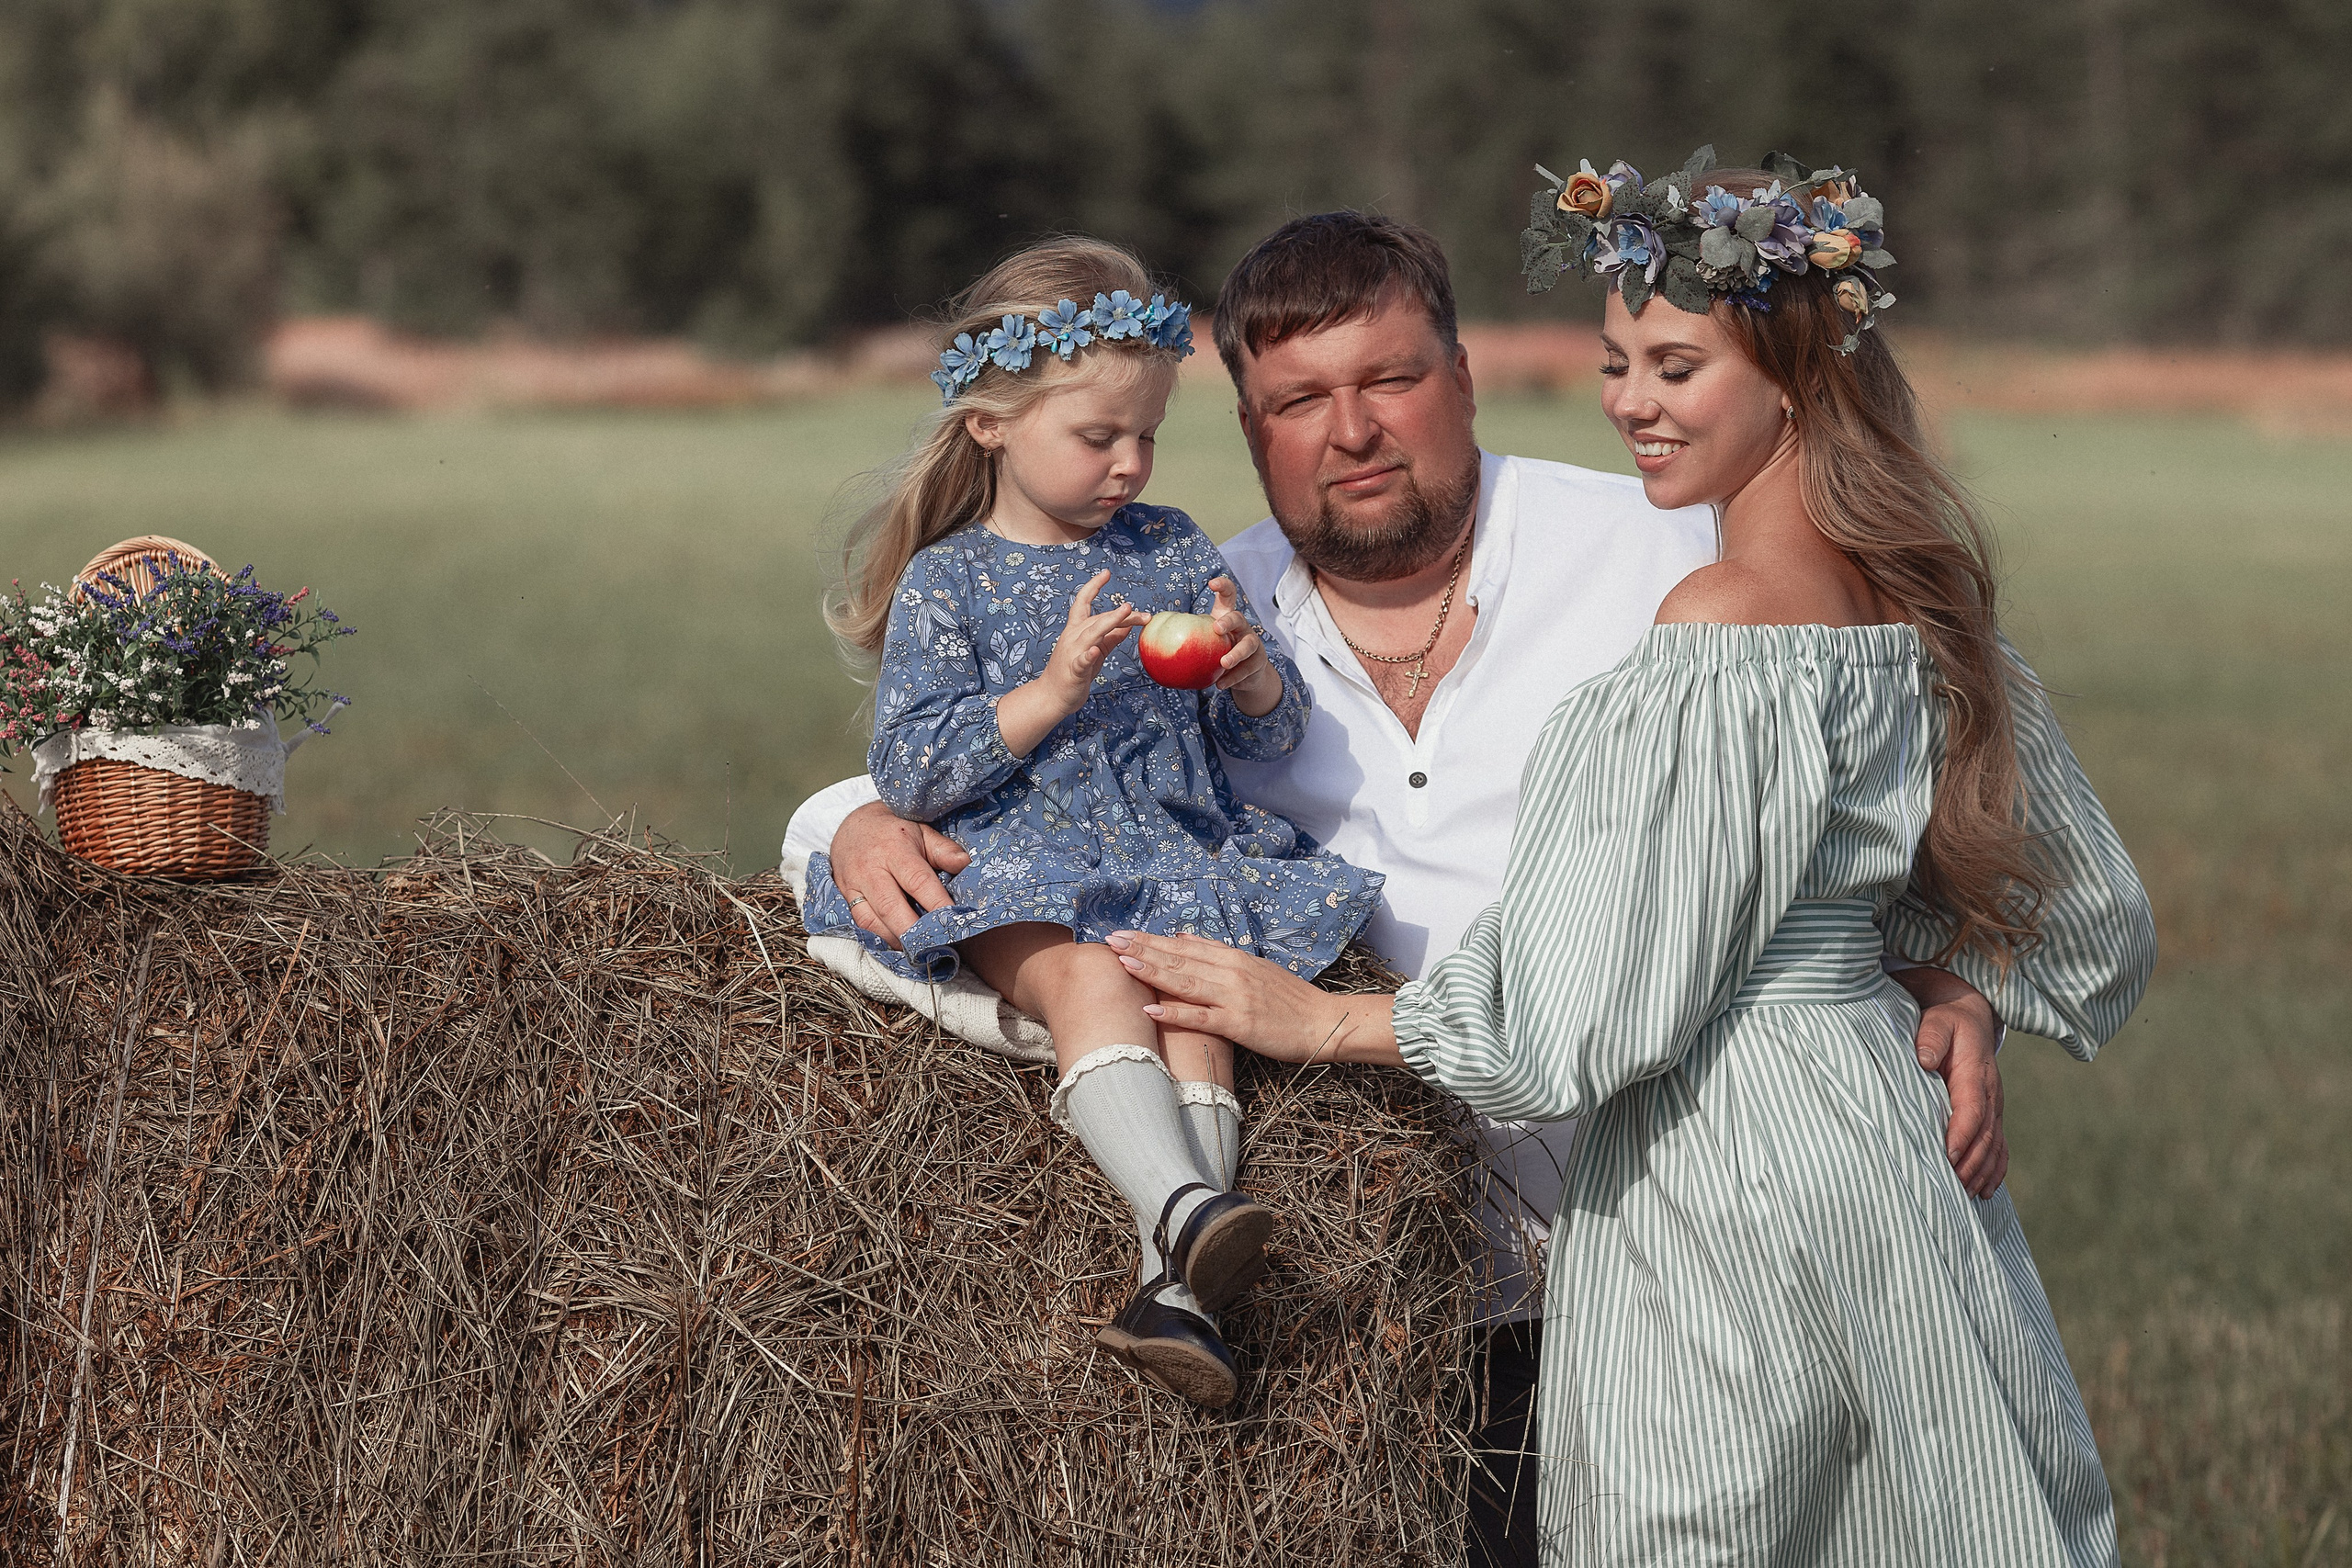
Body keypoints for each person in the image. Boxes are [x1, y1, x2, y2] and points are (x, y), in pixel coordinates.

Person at [788, 210, 2013, 1567]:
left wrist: (1958, 957)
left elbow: (1933, 728)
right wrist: (849, 820)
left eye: (1391, 380)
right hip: (1408, 1284)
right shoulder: (1196, 596)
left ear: (1465, 374)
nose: (1352, 429)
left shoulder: (1666, 553)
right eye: (1300, 401)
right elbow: (997, 766)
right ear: (1253, 431)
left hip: (1685, 1229)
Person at [1116, 153, 2158, 1562]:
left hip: (1699, 1168)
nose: (1631, 402)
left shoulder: (1694, 595)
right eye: (1619, 363)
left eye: (1675, 364)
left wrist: (1314, 1017)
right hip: (1863, 1161)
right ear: (1247, 424)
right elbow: (2086, 899)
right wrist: (1926, 967)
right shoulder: (1881, 590)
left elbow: (1578, 1017)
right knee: (1916, 1506)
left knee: (1705, 1516)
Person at [797, 237, 1385, 1411]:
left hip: (1173, 855)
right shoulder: (950, 581)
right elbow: (910, 771)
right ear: (992, 427)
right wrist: (1052, 690)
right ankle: (1182, 1211)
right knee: (1093, 986)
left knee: (1196, 1011)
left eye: (1149, 437)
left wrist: (1250, 678)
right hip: (1023, 869)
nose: (1130, 464)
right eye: (1098, 437)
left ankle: (1174, 1295)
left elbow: (1264, 747)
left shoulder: (1167, 548)